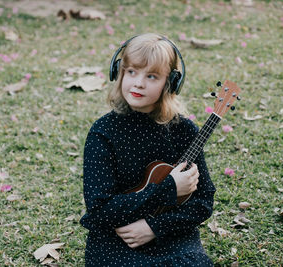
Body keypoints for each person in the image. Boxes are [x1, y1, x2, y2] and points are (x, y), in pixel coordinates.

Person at [80, 33, 216, 266]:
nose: (138, 82)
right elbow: (99, 210)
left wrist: (154, 228)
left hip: (171, 235)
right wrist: (167, 189)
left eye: (152, 76)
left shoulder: (184, 131)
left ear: (170, 82)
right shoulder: (103, 132)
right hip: (117, 236)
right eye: (131, 71)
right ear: (118, 72)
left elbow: (202, 201)